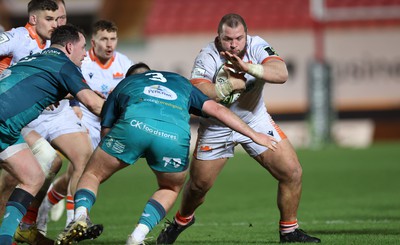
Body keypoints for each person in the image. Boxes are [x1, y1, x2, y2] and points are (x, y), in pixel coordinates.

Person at [54, 62, 278, 245]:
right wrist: (254, 134)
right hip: (174, 136)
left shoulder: (125, 84)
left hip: (133, 126)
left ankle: (80, 216)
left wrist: (127, 149)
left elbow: (106, 132)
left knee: (92, 174)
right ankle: (137, 236)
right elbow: (218, 110)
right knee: (170, 187)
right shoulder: (181, 83)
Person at [156, 13, 321, 244]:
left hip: (255, 119)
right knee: (198, 187)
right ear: (219, 37)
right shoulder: (207, 55)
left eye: (238, 38)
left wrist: (249, 68)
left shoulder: (257, 46)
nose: (233, 44)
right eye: (227, 39)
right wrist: (229, 86)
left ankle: (289, 231)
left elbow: (281, 73)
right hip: (217, 126)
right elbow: (200, 92)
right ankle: (182, 220)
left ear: (246, 36)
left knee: (292, 172)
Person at [0, 24, 104, 245]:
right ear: (69, 47)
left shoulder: (36, 59)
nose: (85, 53)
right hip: (2, 123)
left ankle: (6, 239)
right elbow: (95, 105)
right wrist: (130, 112)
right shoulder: (65, 66)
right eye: (82, 47)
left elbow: (41, 86)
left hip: (7, 129)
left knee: (33, 176)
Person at [36, 18, 133, 240]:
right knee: (84, 167)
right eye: (104, 39)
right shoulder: (82, 62)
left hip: (107, 125)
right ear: (93, 41)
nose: (109, 44)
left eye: (113, 39)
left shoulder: (125, 64)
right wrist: (73, 107)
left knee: (85, 175)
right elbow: (66, 86)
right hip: (84, 120)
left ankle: (47, 202)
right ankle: (74, 221)